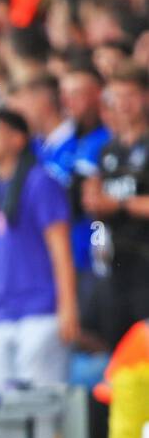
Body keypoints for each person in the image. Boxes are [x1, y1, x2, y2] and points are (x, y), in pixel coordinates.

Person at [0, 110, 78, 386]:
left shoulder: (40, 181)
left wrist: (67, 307)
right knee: (5, 411)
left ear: (17, 139)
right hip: (3, 313)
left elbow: (61, 248)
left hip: (41, 311)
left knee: (42, 408)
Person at [81, 62, 149, 347]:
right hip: (114, 268)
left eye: (130, 95)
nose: (122, 105)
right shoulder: (108, 151)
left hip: (146, 265)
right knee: (118, 355)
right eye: (116, 97)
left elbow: (116, 203)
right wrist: (93, 201)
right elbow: (96, 204)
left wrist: (119, 204)